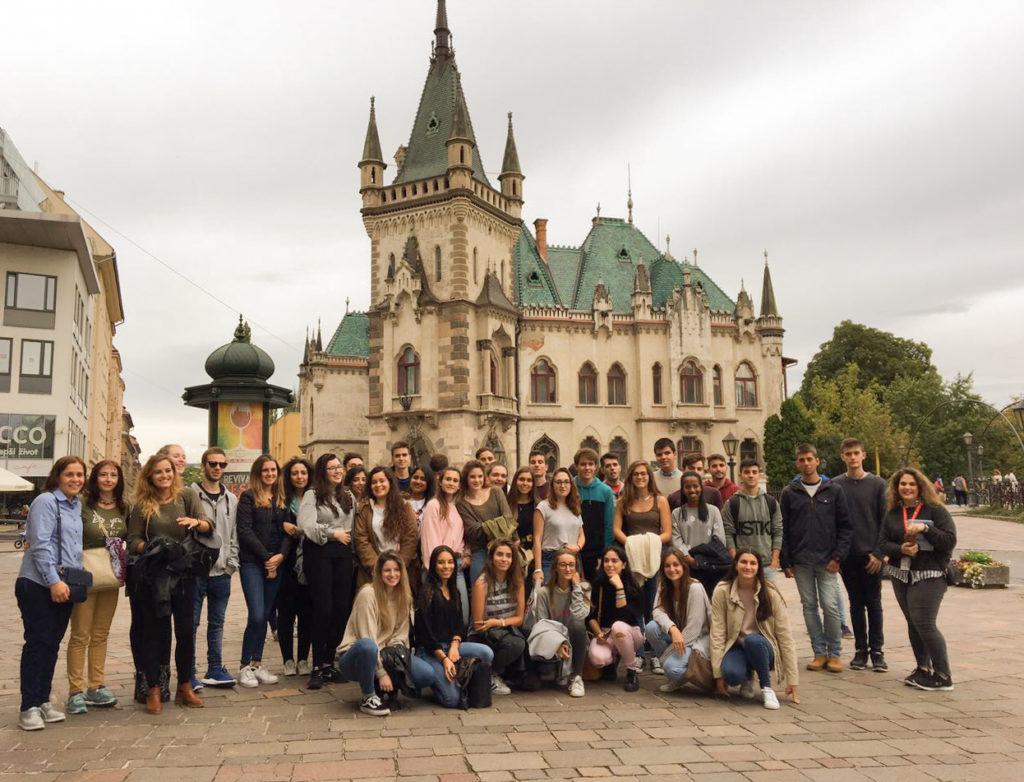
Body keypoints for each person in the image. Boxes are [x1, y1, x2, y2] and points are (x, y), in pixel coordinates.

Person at [127, 453, 213, 713]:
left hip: (184, 574)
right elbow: (132, 540)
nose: (164, 475)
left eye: (168, 471)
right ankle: (153, 689)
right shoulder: (143, 504)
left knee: (186, 632)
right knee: (155, 633)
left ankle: (185, 687)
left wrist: (197, 523)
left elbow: (208, 525)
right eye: (158, 472)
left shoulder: (187, 495)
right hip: (155, 577)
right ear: (150, 476)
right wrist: (153, 547)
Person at [16, 456, 87, 731]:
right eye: (70, 474)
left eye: (80, 474)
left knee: (51, 644)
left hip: (65, 584)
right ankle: (28, 706)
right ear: (57, 476)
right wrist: (53, 581)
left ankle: (43, 700)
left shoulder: (75, 504)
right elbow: (40, 544)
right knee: (37, 644)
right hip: (37, 584)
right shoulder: (46, 501)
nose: (75, 479)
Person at [878, 468, 957, 691]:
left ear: (920, 486)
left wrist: (926, 528)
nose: (907, 488)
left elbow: (949, 541)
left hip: (929, 574)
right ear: (896, 488)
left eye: (912, 484)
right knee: (913, 622)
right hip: (901, 574)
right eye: (903, 484)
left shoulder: (936, 510)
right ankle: (923, 668)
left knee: (925, 623)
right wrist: (901, 549)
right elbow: (882, 543)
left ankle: (943, 676)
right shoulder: (893, 513)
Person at [780, 443, 852, 674]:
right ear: (797, 463)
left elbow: (845, 527)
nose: (806, 463)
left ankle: (835, 653)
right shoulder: (789, 492)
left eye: (809, 459)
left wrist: (838, 557)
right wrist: (785, 561)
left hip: (827, 560)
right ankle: (819, 652)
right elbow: (784, 528)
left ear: (817, 461)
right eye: (802, 460)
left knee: (830, 606)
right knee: (809, 607)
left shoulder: (833, 490)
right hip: (801, 560)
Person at [65, 460, 127, 715]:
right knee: (80, 634)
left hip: (110, 576)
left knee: (101, 633)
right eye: (103, 474)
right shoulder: (82, 504)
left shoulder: (124, 507)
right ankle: (75, 691)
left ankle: (96, 685)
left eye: (113, 475)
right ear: (95, 478)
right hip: (85, 573)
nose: (108, 479)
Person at [336, 552, 425, 716]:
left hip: (384, 652)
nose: (392, 574)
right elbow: (366, 636)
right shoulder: (368, 594)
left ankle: (387, 690)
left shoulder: (404, 597)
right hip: (355, 656)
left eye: (396, 570)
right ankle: (368, 697)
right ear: (379, 572)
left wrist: (389, 657)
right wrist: (382, 673)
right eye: (387, 570)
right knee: (368, 646)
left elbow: (400, 636)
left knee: (427, 674)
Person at [710, 548, 800, 709]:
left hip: (764, 647)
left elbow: (785, 636)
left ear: (759, 568)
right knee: (731, 674)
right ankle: (746, 677)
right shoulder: (722, 590)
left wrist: (793, 680)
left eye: (753, 563)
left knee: (753, 641)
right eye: (743, 562)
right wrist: (718, 676)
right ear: (735, 565)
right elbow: (717, 633)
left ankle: (767, 688)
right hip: (737, 646)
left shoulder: (770, 593)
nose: (748, 567)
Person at [297, 453, 356, 690]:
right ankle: (316, 666)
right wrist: (333, 533)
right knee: (324, 609)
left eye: (339, 467)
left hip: (343, 555)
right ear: (323, 471)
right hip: (319, 553)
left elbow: (351, 527)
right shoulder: (312, 495)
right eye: (332, 468)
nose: (338, 471)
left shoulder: (347, 495)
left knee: (341, 609)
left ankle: (329, 661)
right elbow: (305, 526)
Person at [832, 438, 888, 672]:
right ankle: (860, 650)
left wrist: (879, 554)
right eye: (848, 454)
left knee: (874, 603)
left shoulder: (878, 485)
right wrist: (838, 556)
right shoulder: (836, 486)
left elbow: (885, 521)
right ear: (842, 456)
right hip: (848, 556)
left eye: (856, 453)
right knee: (855, 603)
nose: (852, 457)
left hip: (871, 556)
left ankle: (877, 651)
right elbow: (833, 523)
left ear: (864, 455)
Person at [235, 455, 293, 687]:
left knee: (267, 611)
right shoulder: (248, 497)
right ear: (258, 473)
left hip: (276, 562)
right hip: (253, 562)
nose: (270, 474)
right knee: (257, 614)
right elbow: (244, 531)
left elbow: (288, 532)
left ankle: (256, 664)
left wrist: (281, 556)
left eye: (273, 470)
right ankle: (244, 666)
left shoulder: (282, 498)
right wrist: (267, 558)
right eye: (265, 470)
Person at [414, 545, 494, 708]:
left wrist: (454, 646)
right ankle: (437, 677)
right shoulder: (426, 593)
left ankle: (458, 672)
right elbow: (425, 634)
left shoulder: (454, 590)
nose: (447, 566)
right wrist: (444, 659)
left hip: (450, 646)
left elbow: (459, 625)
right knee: (451, 700)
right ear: (433, 565)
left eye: (450, 562)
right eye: (441, 562)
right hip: (430, 651)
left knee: (486, 653)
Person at [613, 459, 672, 670]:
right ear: (631, 477)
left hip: (655, 560)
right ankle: (638, 652)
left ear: (649, 476)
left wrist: (649, 542)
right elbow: (616, 530)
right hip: (632, 560)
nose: (640, 477)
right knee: (635, 605)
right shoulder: (623, 502)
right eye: (636, 474)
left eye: (643, 474)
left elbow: (667, 533)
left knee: (653, 605)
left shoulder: (660, 501)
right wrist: (631, 543)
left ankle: (656, 653)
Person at [189, 447, 239, 692]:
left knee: (217, 624)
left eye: (222, 464)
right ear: (203, 466)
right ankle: (188, 673)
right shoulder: (190, 495)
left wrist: (231, 565)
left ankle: (215, 669)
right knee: (191, 625)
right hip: (196, 572)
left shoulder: (231, 499)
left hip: (221, 573)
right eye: (213, 463)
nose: (218, 468)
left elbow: (234, 535)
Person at [524, 547, 589, 697]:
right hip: (553, 640)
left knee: (578, 624)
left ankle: (577, 677)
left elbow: (579, 615)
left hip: (575, 638)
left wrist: (577, 587)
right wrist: (559, 643)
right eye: (563, 565)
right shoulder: (544, 592)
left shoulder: (584, 589)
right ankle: (558, 669)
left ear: (576, 568)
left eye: (571, 565)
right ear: (555, 568)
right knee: (545, 672)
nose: (568, 569)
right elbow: (542, 625)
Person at [645, 548, 712, 694]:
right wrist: (672, 629)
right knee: (651, 628)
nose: (672, 569)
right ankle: (675, 672)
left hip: (697, 639)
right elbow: (657, 611)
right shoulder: (664, 586)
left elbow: (694, 629)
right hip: (679, 635)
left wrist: (664, 658)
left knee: (671, 668)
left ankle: (678, 674)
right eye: (667, 566)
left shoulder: (695, 587)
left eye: (676, 565)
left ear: (683, 566)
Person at [469, 538, 527, 695]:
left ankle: (505, 672)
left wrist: (498, 622)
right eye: (499, 554)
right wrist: (496, 625)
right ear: (491, 557)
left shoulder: (518, 581)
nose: (504, 559)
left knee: (531, 683)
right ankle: (489, 673)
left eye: (508, 555)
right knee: (516, 644)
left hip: (507, 629)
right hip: (485, 634)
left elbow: (520, 618)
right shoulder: (482, 583)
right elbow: (478, 625)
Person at [587, 544, 645, 691]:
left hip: (630, 633)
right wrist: (598, 633)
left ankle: (631, 672)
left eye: (614, 561)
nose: (610, 564)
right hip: (606, 633)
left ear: (623, 564)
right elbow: (591, 616)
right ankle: (611, 663)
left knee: (618, 627)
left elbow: (624, 617)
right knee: (598, 659)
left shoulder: (632, 585)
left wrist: (619, 588)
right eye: (606, 560)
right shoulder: (598, 584)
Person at [419, 468, 470, 622]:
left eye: (455, 480)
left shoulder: (457, 506)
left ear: (459, 485)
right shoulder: (434, 505)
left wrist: (466, 553)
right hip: (438, 567)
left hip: (457, 565)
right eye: (448, 479)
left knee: (462, 612)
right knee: (438, 614)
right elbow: (430, 538)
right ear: (440, 482)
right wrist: (436, 567)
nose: (451, 483)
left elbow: (463, 534)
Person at [278, 457, 313, 676]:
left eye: (303, 473)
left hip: (309, 560)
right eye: (295, 473)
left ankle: (303, 659)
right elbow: (275, 524)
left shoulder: (315, 498)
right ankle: (288, 660)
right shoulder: (282, 500)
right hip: (288, 562)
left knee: (307, 612)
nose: (300, 477)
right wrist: (283, 524)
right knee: (286, 613)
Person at [354, 467, 418, 586]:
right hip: (372, 572)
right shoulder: (364, 508)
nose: (378, 485)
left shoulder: (404, 507)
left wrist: (396, 568)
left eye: (382, 481)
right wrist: (379, 569)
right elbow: (361, 540)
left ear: (390, 482)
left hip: (400, 570)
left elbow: (410, 538)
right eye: (374, 482)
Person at [722, 459, 782, 581]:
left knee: (767, 594)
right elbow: (728, 534)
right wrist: (735, 561)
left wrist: (774, 562)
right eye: (747, 472)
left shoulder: (771, 502)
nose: (751, 475)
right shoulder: (732, 503)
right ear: (740, 476)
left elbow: (778, 532)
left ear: (759, 475)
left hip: (766, 565)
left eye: (754, 472)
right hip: (743, 565)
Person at [457, 460, 514, 586]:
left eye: (480, 476)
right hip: (480, 550)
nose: (477, 480)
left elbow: (508, 520)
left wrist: (495, 540)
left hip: (503, 546)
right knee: (479, 586)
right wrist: (497, 524)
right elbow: (473, 530)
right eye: (472, 477)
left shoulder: (496, 492)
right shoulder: (461, 502)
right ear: (466, 478)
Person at [672, 471, 728, 596]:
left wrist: (702, 560)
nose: (692, 490)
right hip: (687, 567)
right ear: (683, 490)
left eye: (695, 486)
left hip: (711, 566)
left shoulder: (713, 511)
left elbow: (719, 539)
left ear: (701, 488)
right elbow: (676, 540)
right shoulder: (677, 513)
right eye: (688, 487)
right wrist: (689, 559)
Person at [532, 467, 585, 585]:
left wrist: (578, 547)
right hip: (550, 559)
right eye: (558, 482)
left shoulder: (574, 507)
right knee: (549, 595)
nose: (563, 485)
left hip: (572, 559)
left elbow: (581, 534)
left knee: (574, 594)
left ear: (571, 485)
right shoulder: (543, 507)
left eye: (566, 482)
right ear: (552, 485)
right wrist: (538, 568)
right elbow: (537, 539)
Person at [574, 448, 616, 582]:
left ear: (596, 466)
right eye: (583, 464)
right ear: (576, 466)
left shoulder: (605, 491)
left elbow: (609, 525)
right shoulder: (570, 487)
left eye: (590, 464)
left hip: (597, 552)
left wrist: (605, 554)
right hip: (574, 549)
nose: (587, 468)